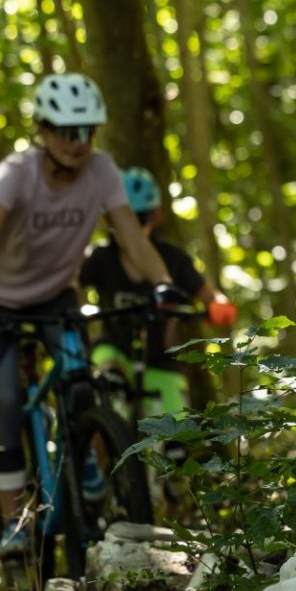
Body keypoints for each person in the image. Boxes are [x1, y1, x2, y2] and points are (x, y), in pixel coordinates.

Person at [0, 72, 178, 558]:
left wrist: (162, 283)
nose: (78, 143)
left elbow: (132, 239)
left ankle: (90, 462)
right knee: (8, 400)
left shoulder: (102, 171)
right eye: (66, 131)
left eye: (87, 132)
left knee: (82, 383)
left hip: (57, 295)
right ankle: (16, 525)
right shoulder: (16, 173)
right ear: (43, 130)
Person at [79, 166, 237, 428]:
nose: (130, 228)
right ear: (109, 220)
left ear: (155, 217)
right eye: (121, 220)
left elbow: (206, 292)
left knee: (177, 432)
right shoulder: (100, 259)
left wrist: (218, 305)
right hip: (114, 351)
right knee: (106, 395)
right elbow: (72, 282)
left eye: (139, 219)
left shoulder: (173, 259)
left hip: (163, 362)